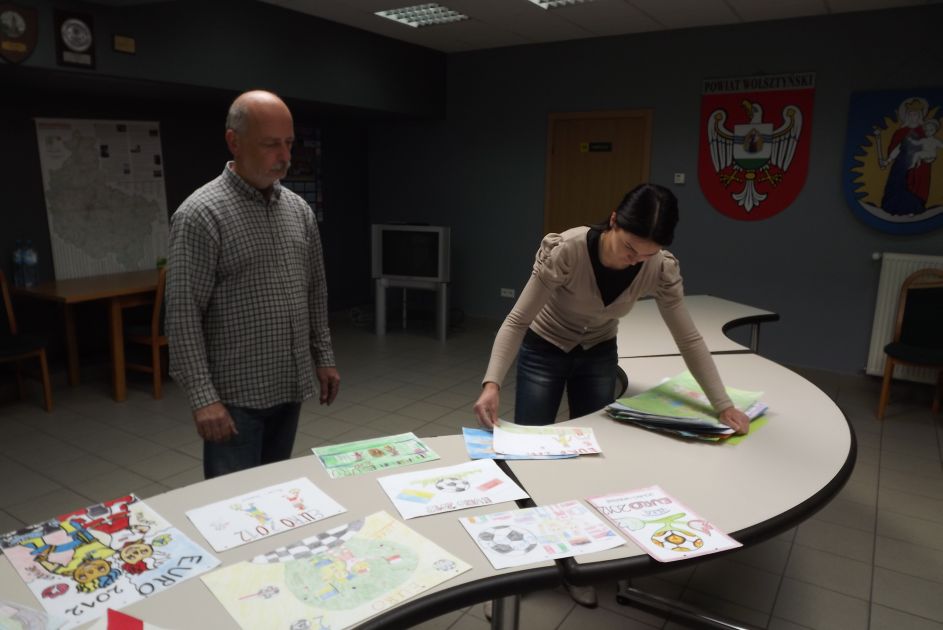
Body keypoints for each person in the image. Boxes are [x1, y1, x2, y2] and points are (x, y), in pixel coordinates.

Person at [473, 183, 750, 611]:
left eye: (645, 254)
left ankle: (579, 565)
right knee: (529, 456)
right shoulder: (567, 251)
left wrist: (722, 403)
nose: (634, 260)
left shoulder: (659, 266)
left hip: (599, 354)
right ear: (614, 222)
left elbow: (689, 338)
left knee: (591, 459)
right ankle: (527, 564)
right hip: (544, 349)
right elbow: (516, 321)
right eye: (629, 248)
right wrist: (491, 382)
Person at [166, 89, 340, 479]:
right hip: (234, 400)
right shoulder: (201, 214)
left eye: (289, 143)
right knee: (233, 504)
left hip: (289, 386)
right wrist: (203, 398)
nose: (285, 156)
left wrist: (324, 356)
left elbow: (315, 289)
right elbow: (182, 315)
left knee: (275, 494)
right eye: (270, 144)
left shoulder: (298, 210)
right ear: (234, 141)